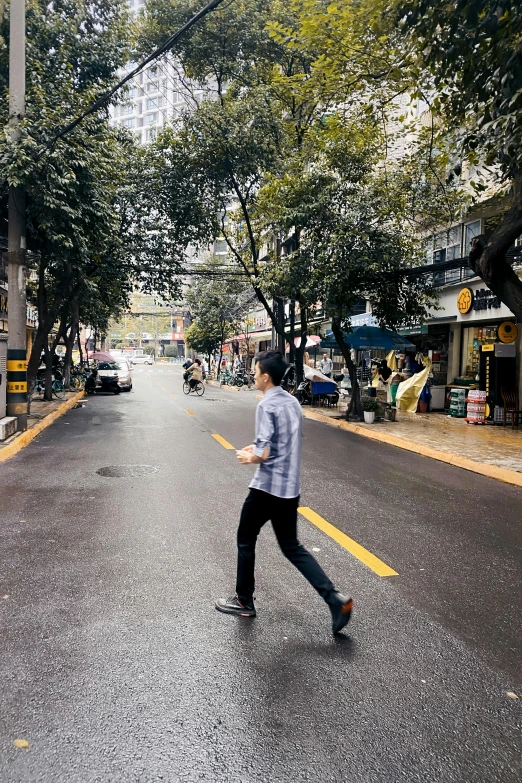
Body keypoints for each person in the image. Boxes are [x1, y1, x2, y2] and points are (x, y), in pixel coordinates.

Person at [215, 350, 353, 634]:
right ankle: (335, 600)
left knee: (245, 537)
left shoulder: (266, 405)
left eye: (255, 371)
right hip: (290, 489)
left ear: (265, 377)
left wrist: (249, 456)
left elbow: (265, 451)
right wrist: (257, 449)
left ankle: (244, 600)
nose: (253, 375)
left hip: (267, 488)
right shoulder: (292, 402)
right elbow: (281, 444)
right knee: (292, 547)